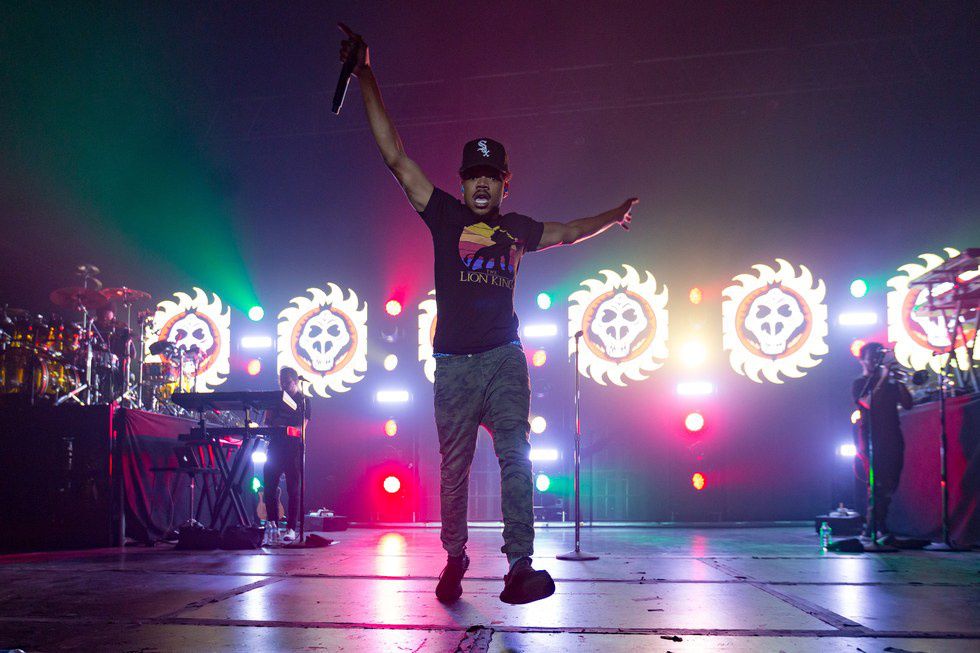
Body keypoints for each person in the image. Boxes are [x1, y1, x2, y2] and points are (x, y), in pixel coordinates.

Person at [339, 24, 637, 604]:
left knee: (515, 455)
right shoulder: (443, 215)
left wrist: (612, 216)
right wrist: (366, 73)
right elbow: (395, 156)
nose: (480, 184)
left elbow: (570, 231)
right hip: (453, 364)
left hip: (503, 358)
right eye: (472, 176)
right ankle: (454, 557)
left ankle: (520, 565)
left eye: (490, 177)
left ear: (504, 185)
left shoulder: (517, 229)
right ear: (462, 184)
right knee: (453, 471)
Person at [852, 342, 912, 540]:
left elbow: (908, 404)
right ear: (862, 361)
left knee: (890, 482)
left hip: (893, 436)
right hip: (871, 438)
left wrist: (898, 381)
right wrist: (883, 378)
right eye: (871, 358)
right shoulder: (860, 383)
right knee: (876, 482)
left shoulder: (889, 384)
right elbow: (868, 403)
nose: (875, 362)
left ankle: (876, 526)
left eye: (878, 358)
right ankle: (874, 527)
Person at [262, 366, 311, 545]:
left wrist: (287, 429)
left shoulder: (304, 401)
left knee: (293, 490)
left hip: (293, 449)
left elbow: (302, 428)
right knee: (269, 487)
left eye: (288, 383)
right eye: (282, 383)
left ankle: (291, 528)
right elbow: (267, 422)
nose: (284, 386)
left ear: (296, 381)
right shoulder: (276, 399)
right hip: (275, 447)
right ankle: (272, 524)